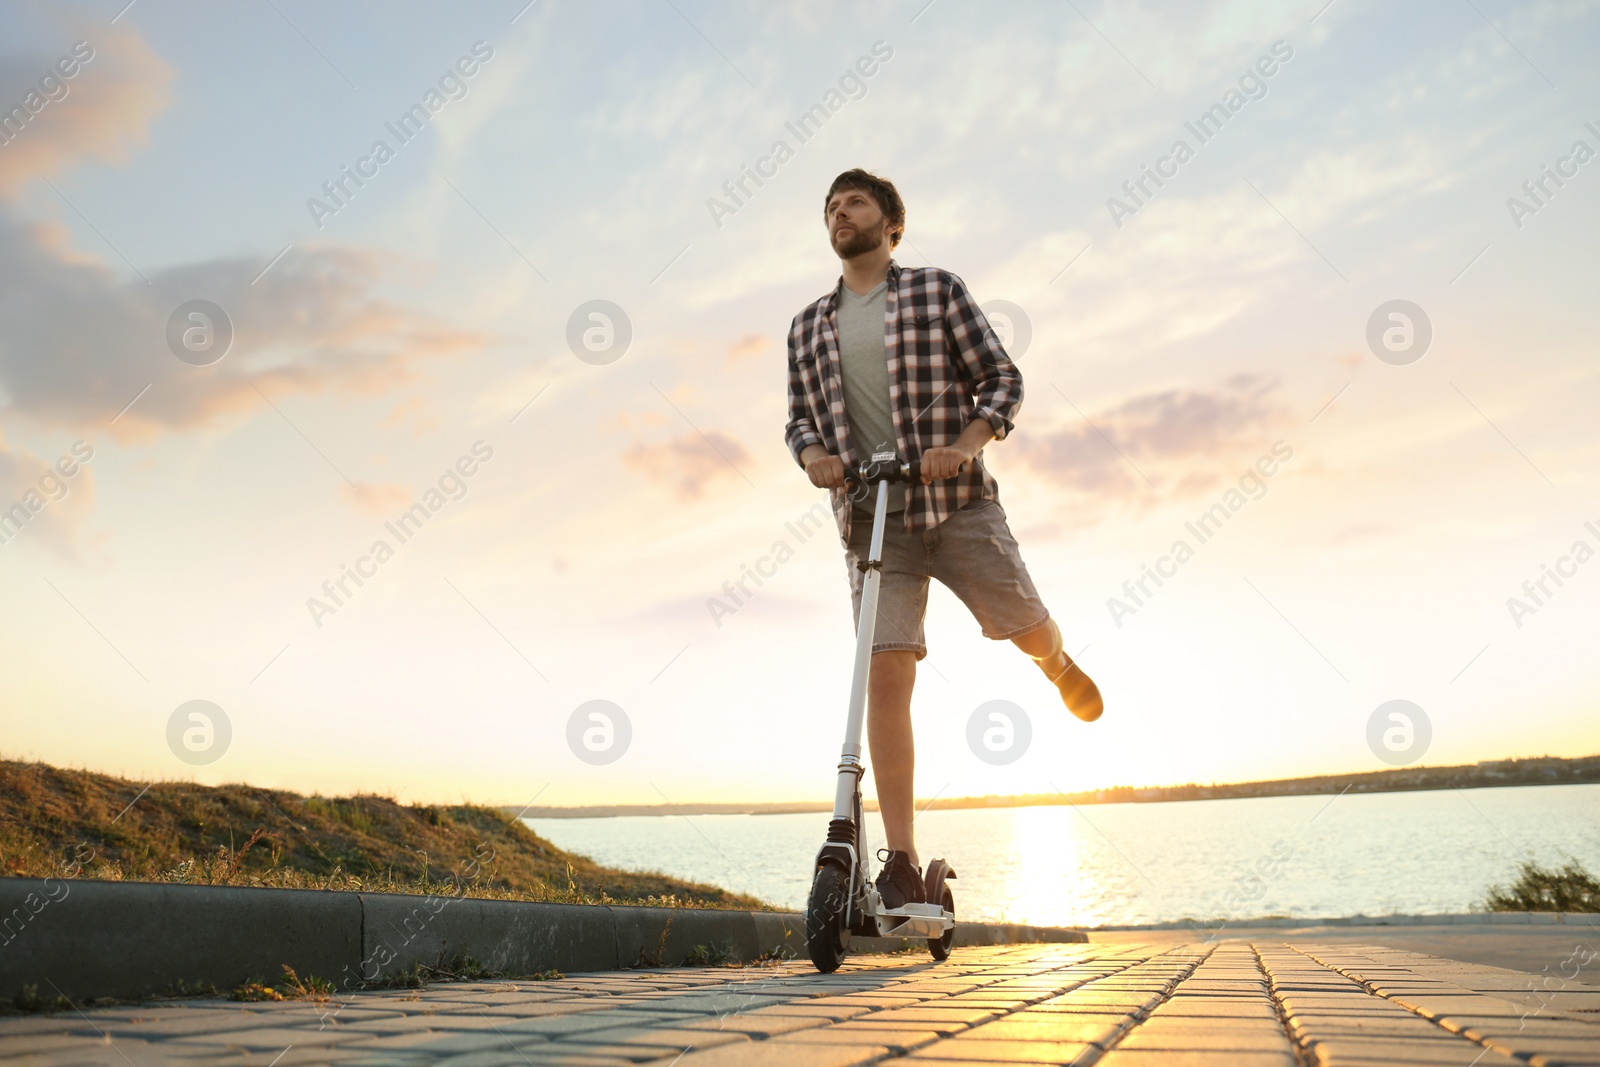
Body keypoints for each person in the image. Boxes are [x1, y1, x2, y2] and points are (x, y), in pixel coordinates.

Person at [783, 168, 1104, 911]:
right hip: (873, 519)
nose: (840, 212)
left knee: (1024, 626)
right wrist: (814, 458)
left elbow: (1000, 380)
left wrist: (964, 443)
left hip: (956, 503)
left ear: (892, 223)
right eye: (830, 205)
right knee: (886, 674)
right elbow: (799, 419)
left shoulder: (936, 291)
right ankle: (900, 858)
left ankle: (1055, 661)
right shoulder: (807, 325)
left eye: (855, 202)